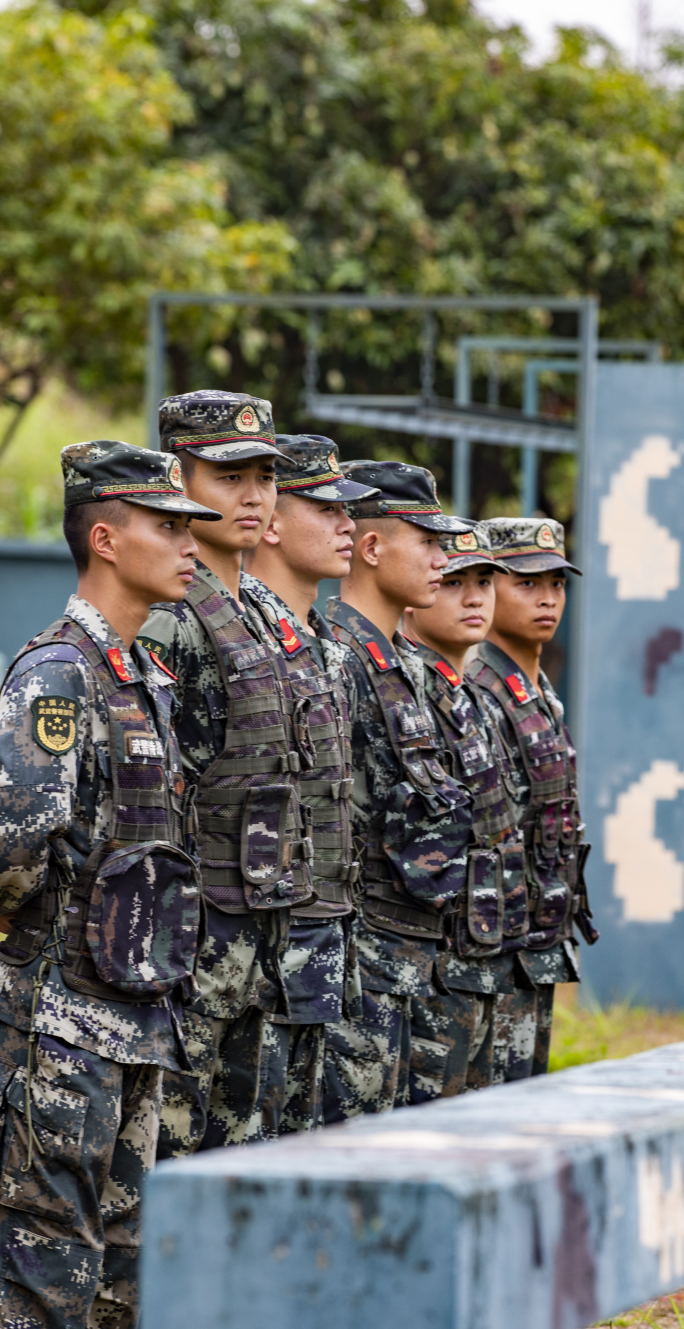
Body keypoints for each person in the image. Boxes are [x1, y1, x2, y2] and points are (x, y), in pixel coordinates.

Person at [0, 440, 221, 1329]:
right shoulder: (59, 673)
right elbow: (11, 850)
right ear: (105, 538)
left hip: (136, 1023)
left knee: (119, 1291)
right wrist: (32, 924)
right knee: (36, 1281)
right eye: (167, 525)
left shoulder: (143, 676)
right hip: (58, 1028)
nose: (191, 543)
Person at [133, 391, 336, 1157]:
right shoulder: (171, 621)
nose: (253, 495)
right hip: (196, 950)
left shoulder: (257, 611)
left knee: (245, 1164)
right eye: (228, 477)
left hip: (259, 946)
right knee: (179, 1165)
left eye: (264, 476)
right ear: (178, 481)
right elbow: (156, 799)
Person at [322, 461, 477, 1115]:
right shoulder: (334, 656)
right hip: (359, 959)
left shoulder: (408, 666)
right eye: (429, 542)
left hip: (412, 956)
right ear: (373, 545)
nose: (442, 561)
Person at [239, 435, 385, 1123]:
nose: (347, 525)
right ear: (272, 521)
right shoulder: (231, 638)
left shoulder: (321, 643)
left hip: (321, 945)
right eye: (326, 508)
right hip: (249, 958)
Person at [467, 517, 594, 1075]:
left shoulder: (536, 689)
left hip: (536, 938)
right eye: (528, 583)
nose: (548, 599)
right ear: (490, 586)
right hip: (495, 943)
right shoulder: (477, 689)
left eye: (557, 584)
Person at [400, 525, 524, 1092]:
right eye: (455, 583)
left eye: (484, 582)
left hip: (484, 953)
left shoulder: (474, 699)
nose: (475, 598)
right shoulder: (408, 694)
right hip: (431, 965)